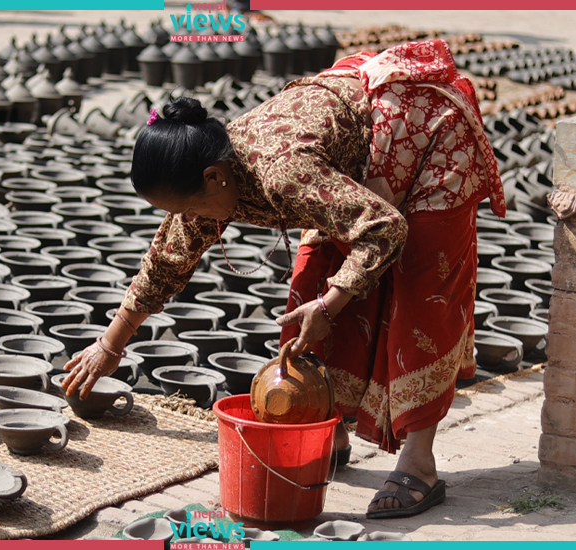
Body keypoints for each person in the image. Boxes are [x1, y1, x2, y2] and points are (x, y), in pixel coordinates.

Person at [61, 39, 504, 519]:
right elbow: (170, 256)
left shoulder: (281, 173)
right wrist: (110, 344)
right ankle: (324, 426)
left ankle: (420, 462)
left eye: (188, 206)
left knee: (421, 292)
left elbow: (384, 227)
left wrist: (330, 305)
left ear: (214, 178)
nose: (188, 219)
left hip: (427, 133)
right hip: (351, 158)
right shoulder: (219, 171)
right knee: (309, 287)